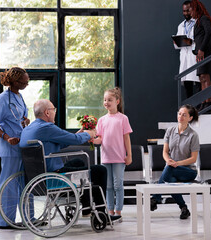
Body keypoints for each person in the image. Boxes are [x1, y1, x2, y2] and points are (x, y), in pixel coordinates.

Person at [19, 99, 121, 222]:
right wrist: (90, 134)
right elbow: (75, 140)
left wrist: (79, 134)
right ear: (47, 112)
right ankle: (101, 214)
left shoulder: (29, 129)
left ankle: (87, 206)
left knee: (78, 162)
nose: (55, 112)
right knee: (100, 170)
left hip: (39, 176)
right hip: (54, 177)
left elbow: (61, 142)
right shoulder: (47, 127)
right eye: (53, 110)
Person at [0, 67, 30, 229]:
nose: (26, 83)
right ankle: (4, 221)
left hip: (21, 144)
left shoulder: (20, 96)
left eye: (27, 81)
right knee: (8, 184)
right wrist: (6, 137)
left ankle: (27, 219)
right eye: (23, 81)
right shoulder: (2, 99)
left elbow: (18, 117)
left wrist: (25, 121)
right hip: (9, 146)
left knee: (21, 183)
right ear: (14, 81)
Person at [150, 104, 199, 219]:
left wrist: (177, 164)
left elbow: (194, 159)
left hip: (188, 171)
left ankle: (156, 198)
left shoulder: (193, 135)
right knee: (169, 180)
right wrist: (169, 161)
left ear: (190, 118)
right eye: (179, 113)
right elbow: (165, 152)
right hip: (172, 169)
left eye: (184, 115)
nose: (180, 116)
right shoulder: (170, 131)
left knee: (169, 170)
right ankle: (184, 208)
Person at [93, 87, 133, 218]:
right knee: (108, 186)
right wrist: (91, 139)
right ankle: (110, 212)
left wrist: (129, 155)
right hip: (105, 158)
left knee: (118, 185)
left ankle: (118, 211)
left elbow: (126, 138)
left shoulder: (123, 118)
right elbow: (99, 139)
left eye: (109, 99)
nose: (106, 102)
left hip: (119, 158)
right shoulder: (101, 120)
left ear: (117, 101)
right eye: (105, 100)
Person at [190, 0, 211, 110]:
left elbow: (209, 32)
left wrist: (202, 49)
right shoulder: (198, 21)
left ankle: (208, 102)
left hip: (204, 52)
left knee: (205, 76)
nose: (190, 13)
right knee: (201, 77)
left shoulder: (204, 18)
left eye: (191, 11)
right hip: (199, 54)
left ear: (196, 9)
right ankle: (204, 102)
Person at [174, 0, 200, 99]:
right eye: (184, 11)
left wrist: (191, 42)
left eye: (188, 11)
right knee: (186, 81)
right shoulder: (181, 25)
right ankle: (190, 104)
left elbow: (201, 39)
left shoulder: (198, 23)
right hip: (184, 55)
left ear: (193, 9)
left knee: (197, 80)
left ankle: (199, 104)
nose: (186, 13)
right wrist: (176, 42)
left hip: (194, 55)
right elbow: (178, 44)